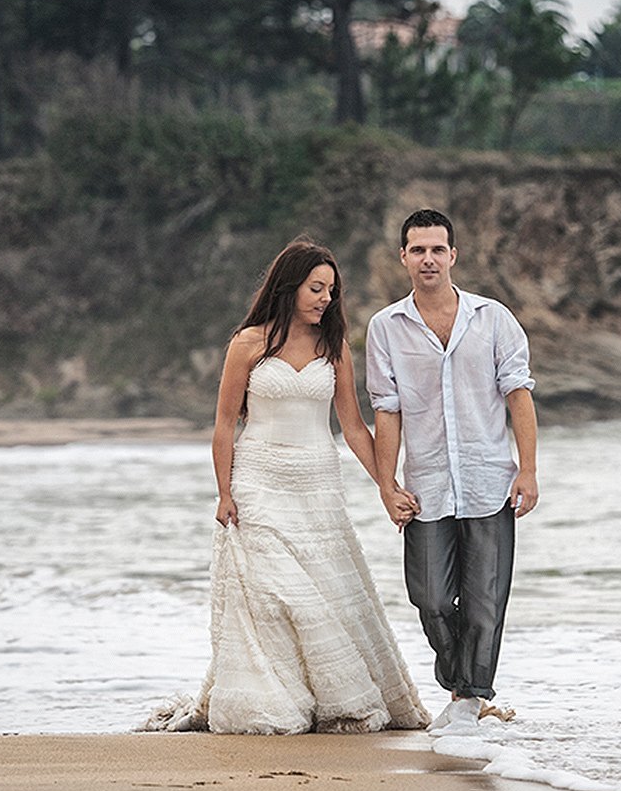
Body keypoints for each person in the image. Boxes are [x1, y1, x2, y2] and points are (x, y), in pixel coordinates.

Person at [144, 237, 429, 735]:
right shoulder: (249, 343)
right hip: (258, 479)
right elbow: (224, 424)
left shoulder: (333, 346)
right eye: (316, 288)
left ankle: (326, 696)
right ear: (290, 286)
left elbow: (355, 427)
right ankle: (275, 696)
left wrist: (387, 484)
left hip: (318, 482)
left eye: (331, 291)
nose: (325, 299)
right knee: (272, 592)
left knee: (323, 593)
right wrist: (225, 493)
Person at [365, 208, 538, 733]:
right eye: (418, 250)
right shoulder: (386, 328)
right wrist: (386, 484)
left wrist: (527, 470)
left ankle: (468, 699)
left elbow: (519, 394)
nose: (428, 259)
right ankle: (461, 678)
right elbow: (386, 410)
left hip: (488, 479)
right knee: (432, 599)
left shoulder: (493, 318)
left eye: (437, 249)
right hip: (427, 487)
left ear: (454, 255)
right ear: (403, 257)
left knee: (486, 600)